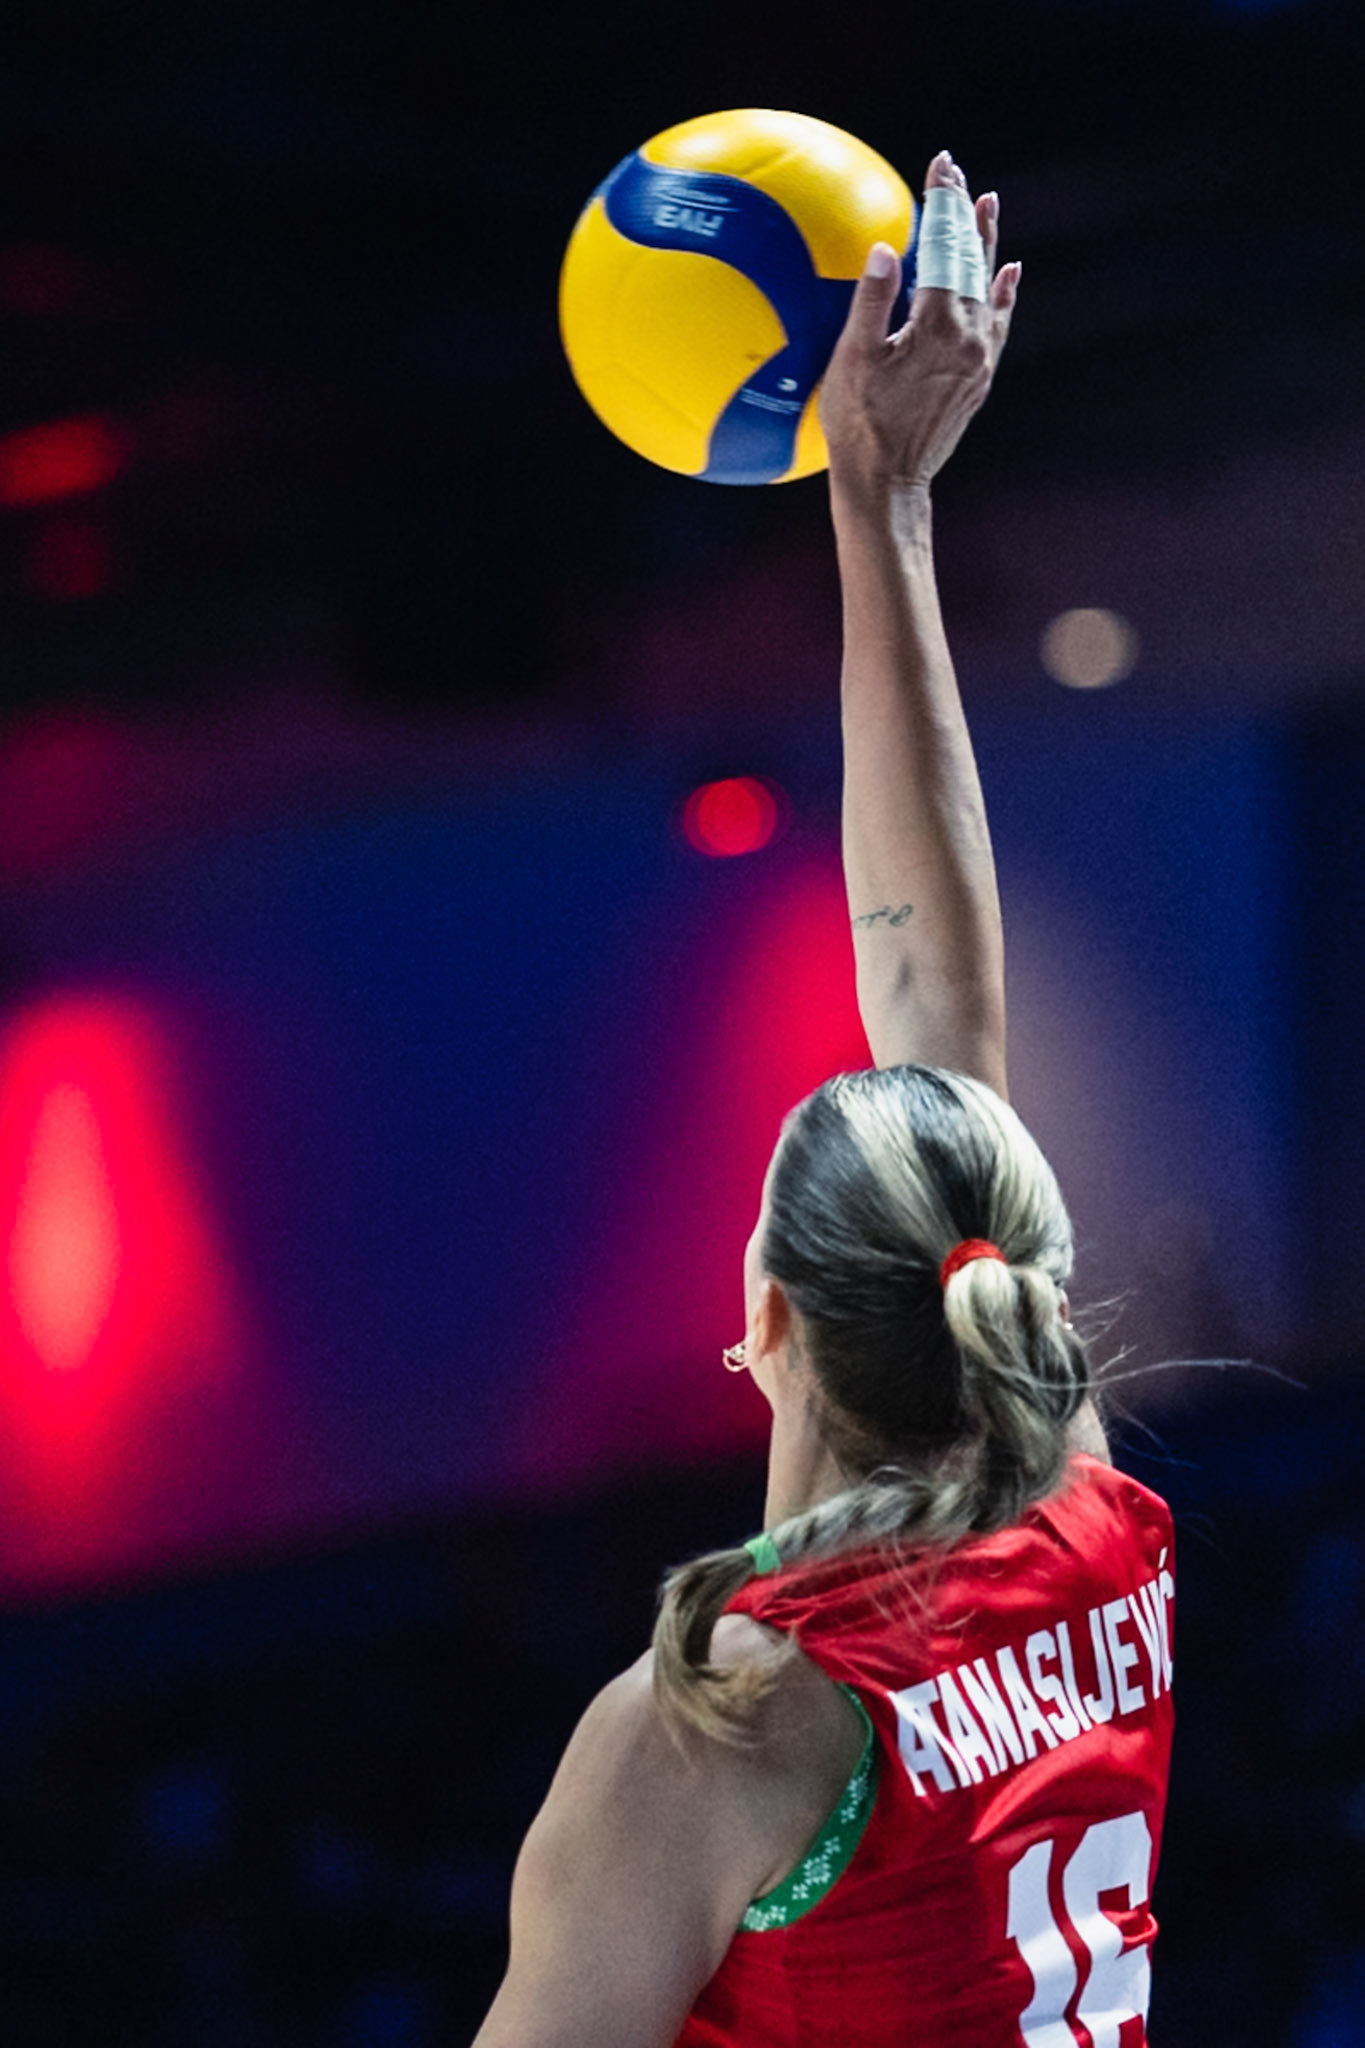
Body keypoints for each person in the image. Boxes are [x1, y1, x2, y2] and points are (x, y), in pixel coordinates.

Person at [473, 151, 1173, 2048]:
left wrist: (882, 492)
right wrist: (877, 498)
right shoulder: (1091, 1532)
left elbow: (940, 1024)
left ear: (765, 1319)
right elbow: (940, 1025)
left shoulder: (710, 1735)